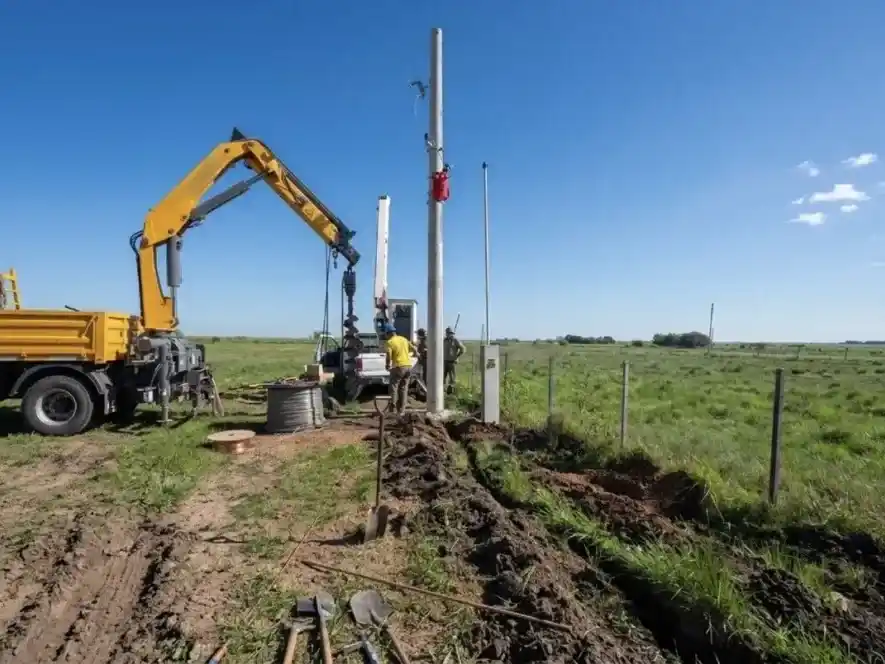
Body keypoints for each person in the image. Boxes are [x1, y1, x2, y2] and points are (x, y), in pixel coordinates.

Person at [384, 323, 416, 416]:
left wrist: (387, 365)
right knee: (403, 388)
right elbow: (414, 349)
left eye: (386, 334)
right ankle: (402, 411)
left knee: (393, 388)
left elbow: (389, 355)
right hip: (408, 367)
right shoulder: (404, 339)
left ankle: (392, 411)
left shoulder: (390, 342)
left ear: (388, 333)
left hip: (398, 367)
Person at [443, 326, 466, 393]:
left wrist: (457, 356)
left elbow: (463, 349)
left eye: (450, 333)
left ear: (453, 333)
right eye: (448, 333)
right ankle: (443, 391)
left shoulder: (455, 340)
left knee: (452, 378)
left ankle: (451, 393)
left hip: (452, 362)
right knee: (442, 377)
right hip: (444, 361)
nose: (449, 334)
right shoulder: (444, 340)